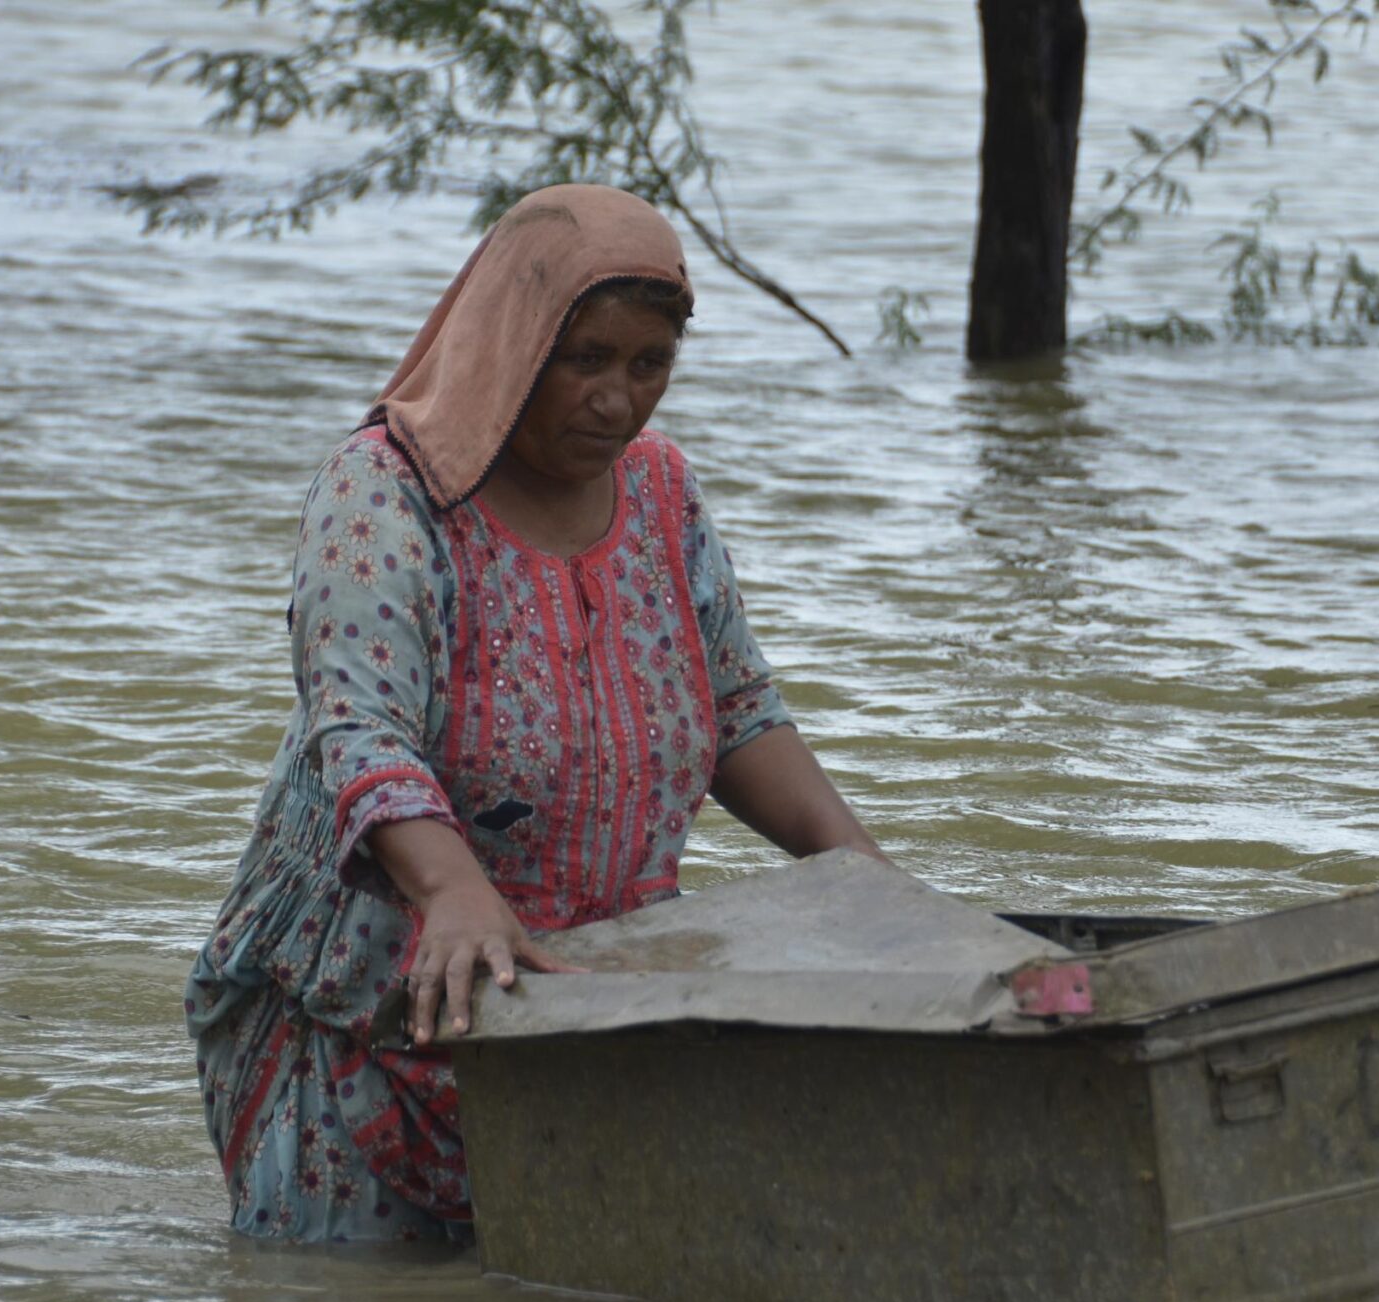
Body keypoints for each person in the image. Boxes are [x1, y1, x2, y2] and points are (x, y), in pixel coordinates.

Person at [184, 184, 880, 1244]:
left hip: (576, 1024)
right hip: (362, 1015)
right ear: (514, 342)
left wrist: (863, 879)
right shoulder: (386, 491)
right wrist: (454, 893)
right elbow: (359, 729)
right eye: (586, 359)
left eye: (650, 365)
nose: (618, 400)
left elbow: (735, 707)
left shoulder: (661, 493)